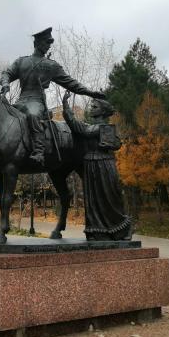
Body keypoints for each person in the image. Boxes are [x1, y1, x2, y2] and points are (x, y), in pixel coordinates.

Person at [0, 27, 106, 165]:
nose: (49, 45)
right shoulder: (21, 62)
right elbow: (6, 73)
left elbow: (71, 83)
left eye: (50, 43)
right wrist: (5, 84)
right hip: (20, 101)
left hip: (37, 103)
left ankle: (39, 150)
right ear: (36, 43)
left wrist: (90, 92)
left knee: (32, 114)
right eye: (46, 42)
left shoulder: (51, 66)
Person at [61, 91, 132, 241]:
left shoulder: (103, 127)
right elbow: (80, 128)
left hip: (103, 165)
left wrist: (66, 107)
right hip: (91, 166)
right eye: (92, 105)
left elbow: (81, 129)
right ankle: (97, 230)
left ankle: (121, 229)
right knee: (93, 200)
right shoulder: (93, 127)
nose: (91, 107)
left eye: (95, 106)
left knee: (108, 197)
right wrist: (66, 107)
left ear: (103, 111)